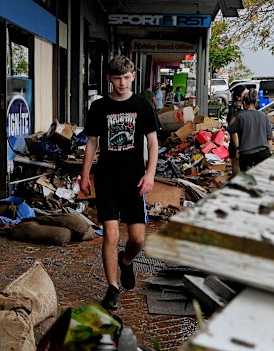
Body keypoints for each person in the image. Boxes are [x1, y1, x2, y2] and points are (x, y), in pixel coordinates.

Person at [80, 55, 159, 310]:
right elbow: (91, 142)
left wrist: (150, 174)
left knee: (138, 240)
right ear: (109, 79)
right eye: (117, 78)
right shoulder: (99, 107)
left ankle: (126, 261)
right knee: (110, 236)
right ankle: (112, 288)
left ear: (133, 76)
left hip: (134, 180)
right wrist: (84, 174)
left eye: (126, 77)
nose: (122, 83)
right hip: (107, 180)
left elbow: (153, 142)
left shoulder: (143, 106)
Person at [226, 89, 273, 172]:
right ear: (255, 103)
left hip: (246, 155)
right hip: (263, 153)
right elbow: (269, 137)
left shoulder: (241, 116)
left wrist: (236, 113)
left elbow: (230, 128)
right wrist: (270, 152)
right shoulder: (263, 115)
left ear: (244, 103)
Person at [226, 85, 248, 175]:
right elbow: (233, 132)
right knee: (236, 167)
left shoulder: (245, 109)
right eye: (245, 94)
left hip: (245, 143)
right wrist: (237, 147)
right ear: (239, 97)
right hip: (237, 145)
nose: (247, 96)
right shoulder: (234, 111)